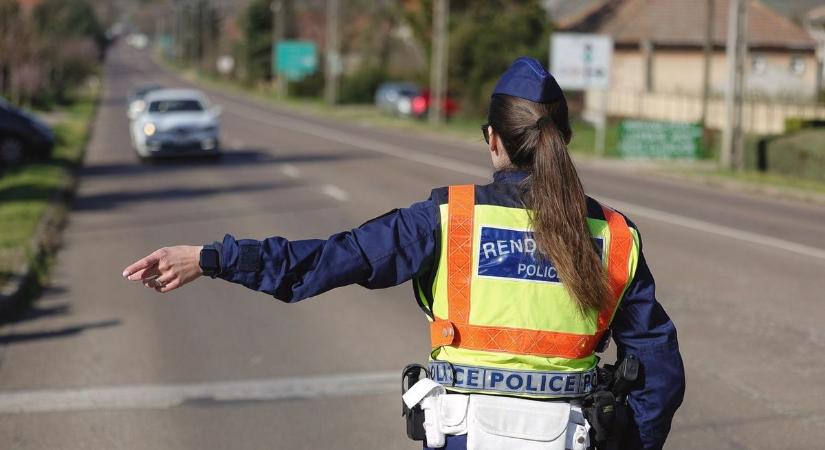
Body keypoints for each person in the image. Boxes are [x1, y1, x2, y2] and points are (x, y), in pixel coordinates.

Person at [123, 57, 685, 450]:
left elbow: (322, 261)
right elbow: (660, 375)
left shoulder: (446, 220)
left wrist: (212, 257)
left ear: (492, 138)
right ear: (564, 138)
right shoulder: (615, 235)